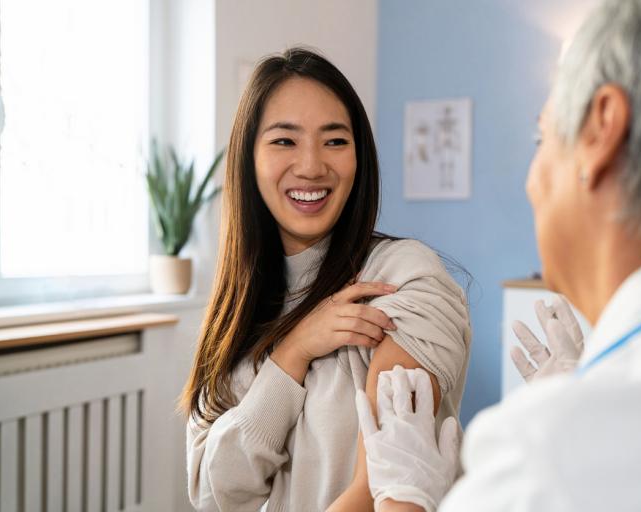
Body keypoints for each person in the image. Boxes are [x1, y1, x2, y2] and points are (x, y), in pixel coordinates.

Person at [355, 0, 641, 510]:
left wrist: (408, 496)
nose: (532, 180)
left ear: (601, 129)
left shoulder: (548, 457)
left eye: (541, 137)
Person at [180, 48, 471, 511]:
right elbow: (218, 492)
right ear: (248, 158)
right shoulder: (236, 313)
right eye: (284, 141)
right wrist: (292, 353)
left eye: (335, 141)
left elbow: (375, 491)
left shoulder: (403, 277)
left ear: (360, 157)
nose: (313, 166)